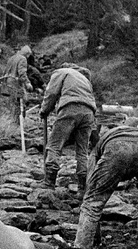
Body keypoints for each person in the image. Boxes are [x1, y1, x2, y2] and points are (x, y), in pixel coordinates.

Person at [67, 119, 138, 249]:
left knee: (93, 202)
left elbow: (90, 189)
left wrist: (95, 238)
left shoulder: (101, 143)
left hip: (117, 148)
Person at [38, 62, 97, 192]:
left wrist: (44, 110)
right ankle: (83, 187)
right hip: (89, 112)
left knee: (54, 145)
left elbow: (51, 93)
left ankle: (49, 182)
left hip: (70, 107)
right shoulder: (84, 79)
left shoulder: (62, 72)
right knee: (82, 150)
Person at [1, 45, 33, 128]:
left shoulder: (12, 57)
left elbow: (5, 71)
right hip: (16, 83)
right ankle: (19, 124)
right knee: (22, 102)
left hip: (8, 82)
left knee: (14, 103)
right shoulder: (23, 59)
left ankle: (14, 123)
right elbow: (22, 73)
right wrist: (27, 83)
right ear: (28, 54)